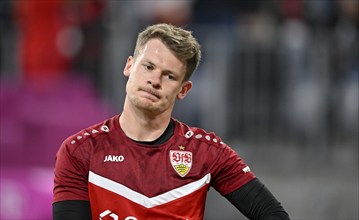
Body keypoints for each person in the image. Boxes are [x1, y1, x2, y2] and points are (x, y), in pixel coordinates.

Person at [53, 23, 290, 220]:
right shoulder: (79, 151)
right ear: (129, 66)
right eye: (148, 67)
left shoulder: (206, 152)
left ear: (183, 90)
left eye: (169, 76)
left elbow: (272, 214)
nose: (154, 81)